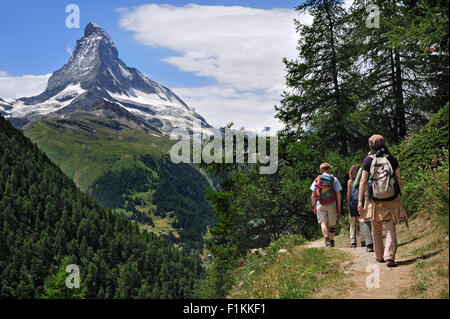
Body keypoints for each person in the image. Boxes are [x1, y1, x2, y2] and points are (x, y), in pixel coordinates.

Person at [357, 134, 408, 267]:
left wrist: (360, 201)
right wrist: (399, 194)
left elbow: (363, 181)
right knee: (391, 227)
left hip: (375, 199)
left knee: (376, 227)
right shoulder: (391, 159)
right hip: (391, 197)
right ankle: (389, 256)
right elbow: (398, 178)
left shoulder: (367, 160)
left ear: (370, 146)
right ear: (384, 143)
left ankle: (379, 256)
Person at [311, 163, 342, 247]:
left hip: (320, 204)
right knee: (332, 224)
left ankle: (327, 240)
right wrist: (339, 207)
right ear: (328, 169)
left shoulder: (317, 179)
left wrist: (314, 206)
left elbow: (313, 194)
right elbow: (338, 194)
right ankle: (332, 241)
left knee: (323, 223)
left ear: (321, 170)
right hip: (332, 204)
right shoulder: (334, 179)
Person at [347, 164, 374, 251]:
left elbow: (348, 194)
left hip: (352, 203)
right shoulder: (363, 180)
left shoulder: (350, 182)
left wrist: (348, 203)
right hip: (361, 202)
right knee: (362, 222)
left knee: (352, 224)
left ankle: (353, 242)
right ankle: (363, 241)